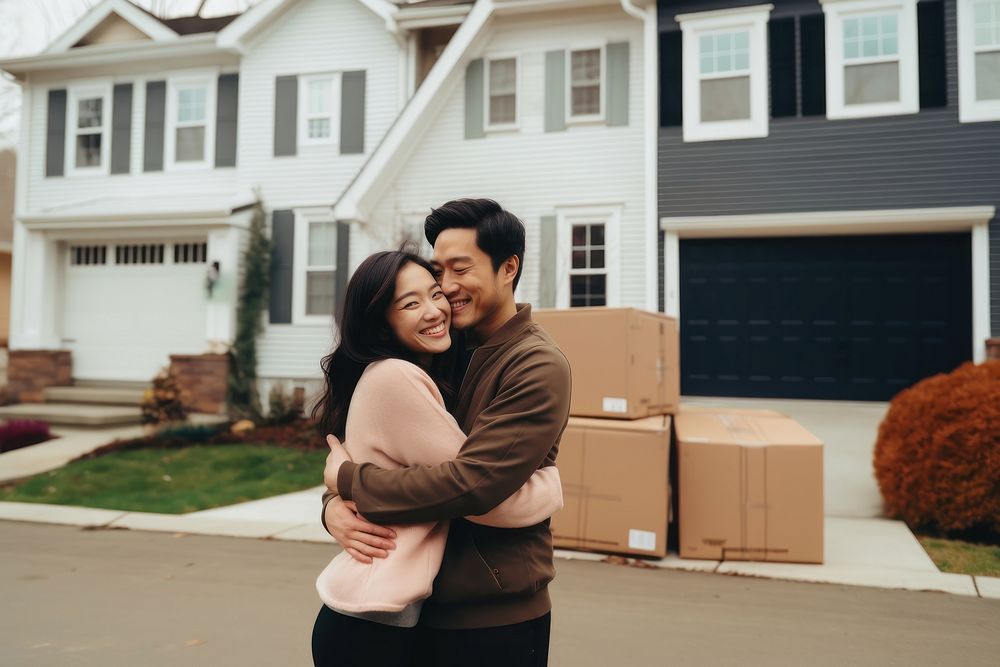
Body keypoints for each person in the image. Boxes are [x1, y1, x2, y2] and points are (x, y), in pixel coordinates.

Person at [322, 199, 572, 666]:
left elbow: (474, 486)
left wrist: (353, 483)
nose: (447, 289)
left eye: (461, 269)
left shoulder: (535, 364)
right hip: (420, 613)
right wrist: (335, 505)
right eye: (440, 273)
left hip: (496, 618)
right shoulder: (440, 350)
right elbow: (379, 448)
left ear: (508, 268)